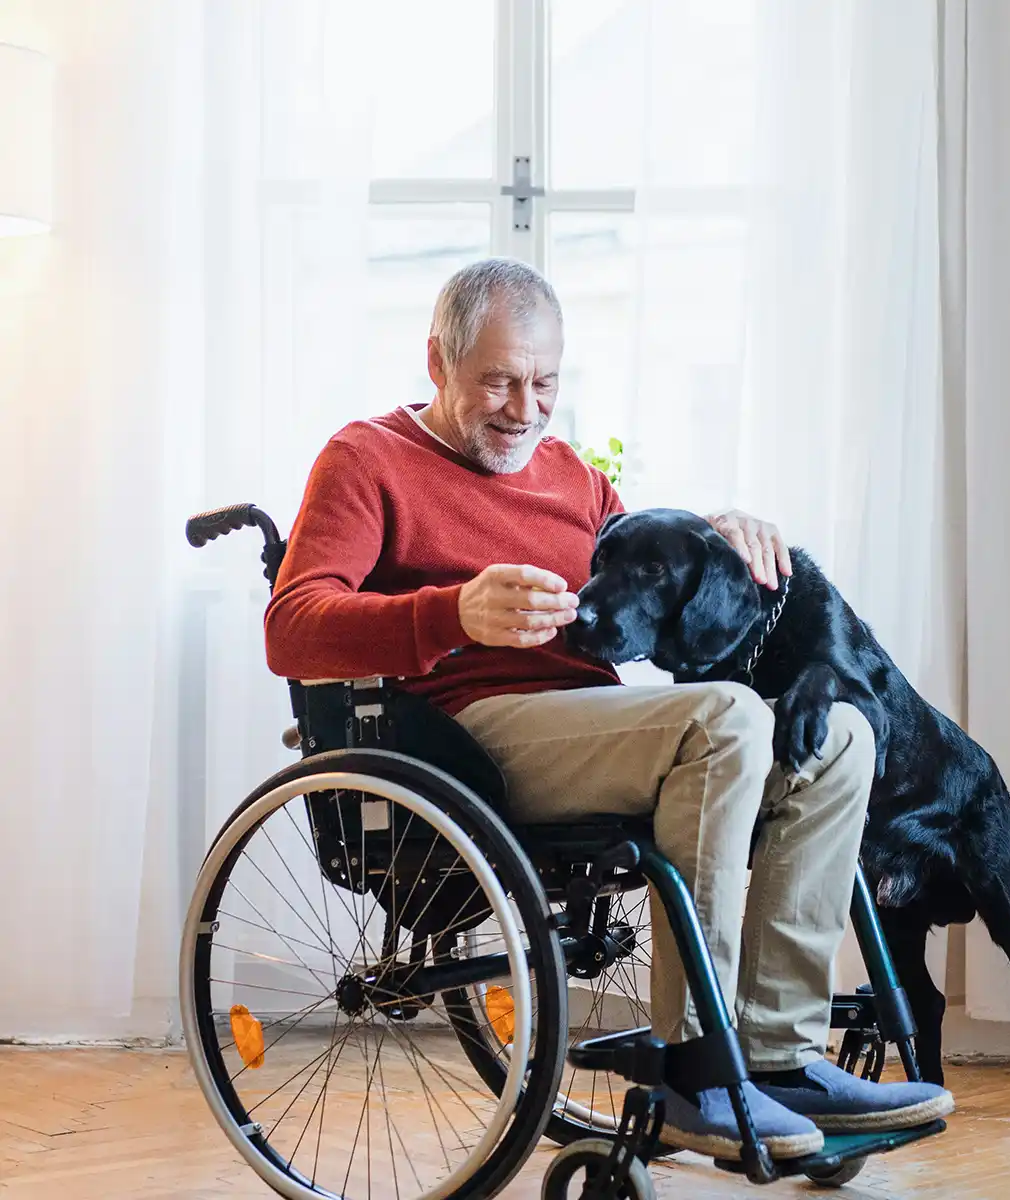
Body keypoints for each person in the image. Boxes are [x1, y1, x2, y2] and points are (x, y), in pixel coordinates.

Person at [265, 258, 952, 1159]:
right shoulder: (367, 459)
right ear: (437, 361)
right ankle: (693, 1073)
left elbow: (652, 590)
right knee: (728, 719)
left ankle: (777, 1057)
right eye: (499, 382)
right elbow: (293, 627)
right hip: (466, 740)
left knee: (841, 737)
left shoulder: (575, 480)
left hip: (600, 726)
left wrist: (722, 540)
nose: (525, 409)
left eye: (545, 382)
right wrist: (451, 612)